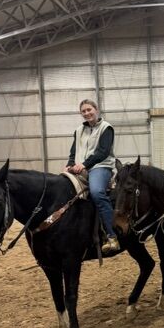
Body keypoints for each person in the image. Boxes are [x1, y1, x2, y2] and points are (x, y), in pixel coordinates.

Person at [64, 99, 119, 254]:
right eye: (83, 111)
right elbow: (73, 151)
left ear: (96, 110)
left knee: (96, 192)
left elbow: (103, 152)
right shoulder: (78, 130)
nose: (87, 113)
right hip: (80, 167)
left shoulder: (106, 128)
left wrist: (84, 164)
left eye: (89, 109)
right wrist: (69, 164)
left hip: (100, 166)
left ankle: (112, 235)